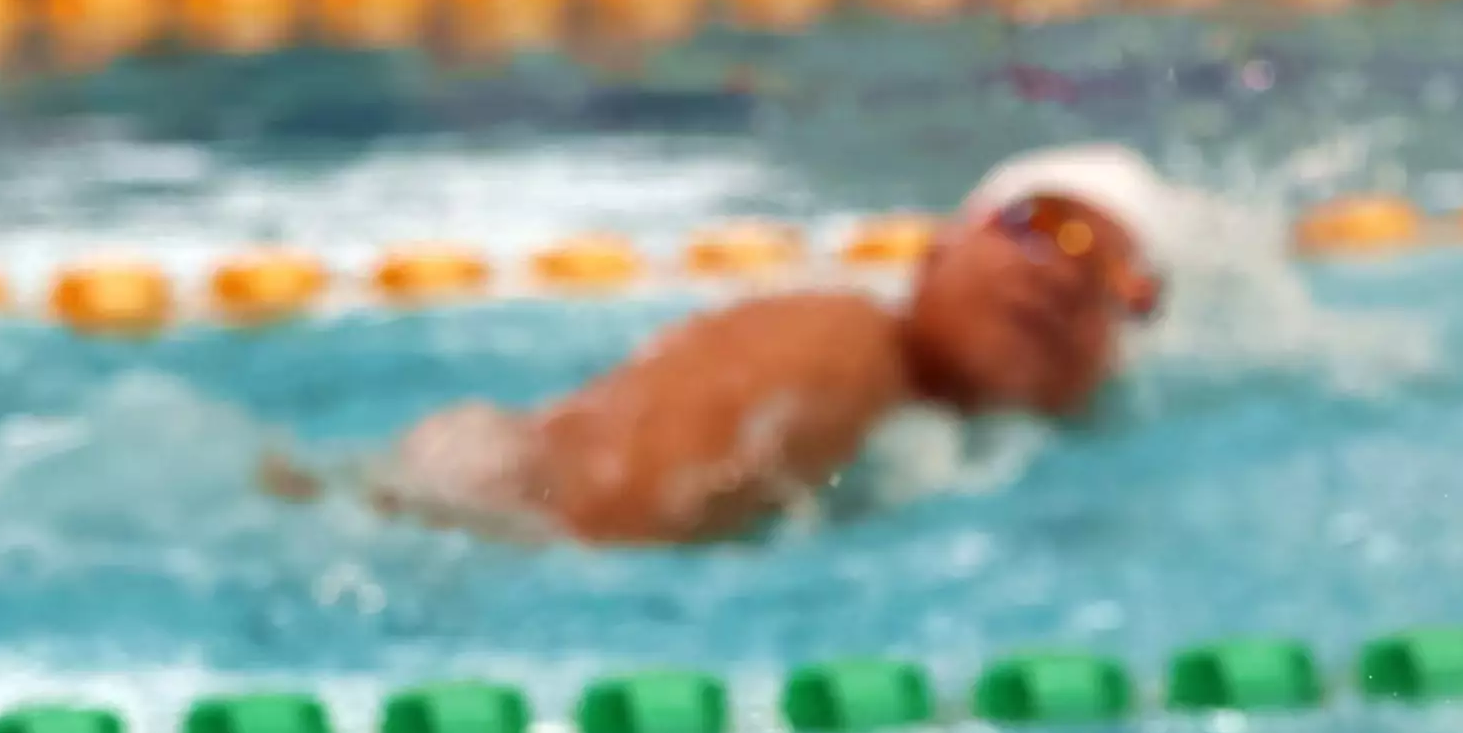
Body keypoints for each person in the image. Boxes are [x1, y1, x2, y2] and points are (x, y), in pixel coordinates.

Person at [314, 143, 1179, 544]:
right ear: (936, 252)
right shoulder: (840, 345)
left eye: (1118, 282)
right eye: (1044, 226)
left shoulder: (933, 429)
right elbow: (594, 533)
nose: (1066, 276)